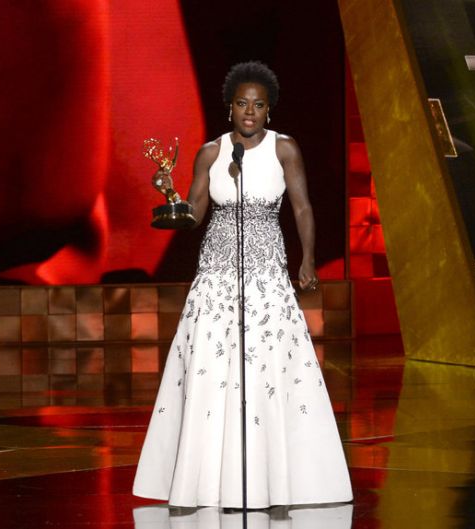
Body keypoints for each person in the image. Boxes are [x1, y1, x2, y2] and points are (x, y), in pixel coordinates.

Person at [133, 61, 353, 508]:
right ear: (229, 107)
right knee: (211, 369)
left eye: (258, 105)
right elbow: (193, 215)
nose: (249, 112)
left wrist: (308, 259)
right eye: (241, 104)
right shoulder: (211, 154)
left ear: (268, 111)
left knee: (265, 368)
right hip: (216, 273)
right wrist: (168, 195)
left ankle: (274, 480)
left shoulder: (284, 149)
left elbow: (303, 208)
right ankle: (203, 481)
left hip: (267, 273)